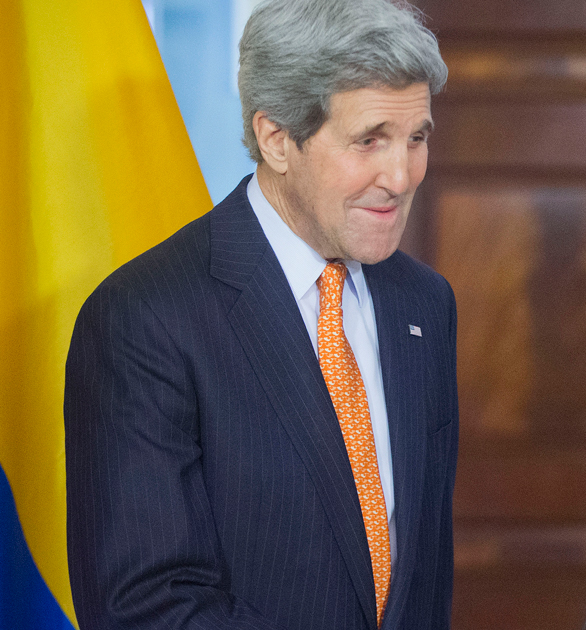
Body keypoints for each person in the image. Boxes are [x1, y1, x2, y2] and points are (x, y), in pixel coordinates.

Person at [64, 1, 455, 628]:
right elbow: (144, 608)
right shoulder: (144, 319)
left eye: (417, 139)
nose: (402, 175)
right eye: (369, 141)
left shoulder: (425, 305)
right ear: (276, 138)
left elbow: (422, 581)